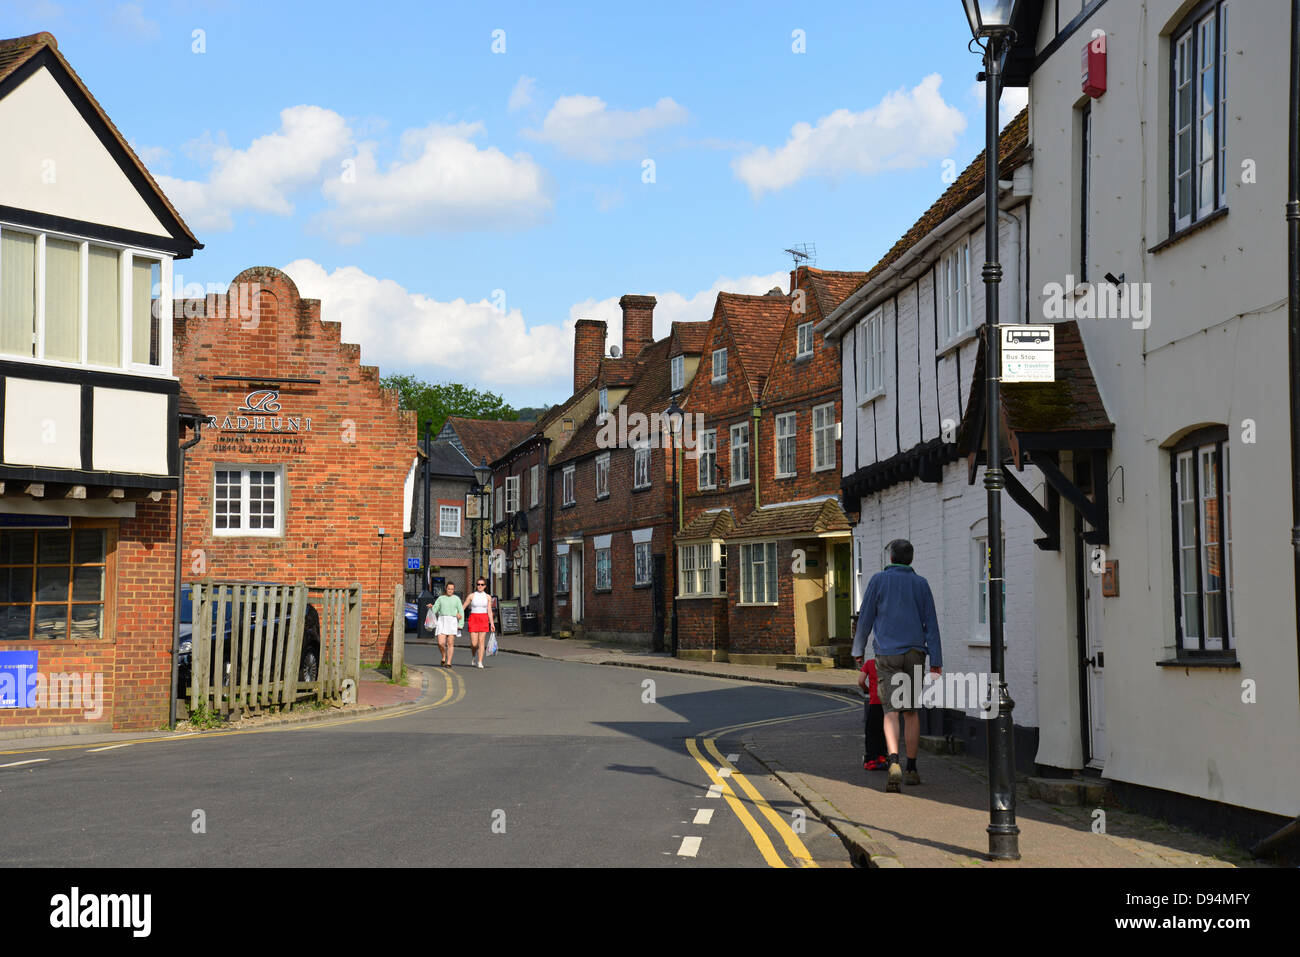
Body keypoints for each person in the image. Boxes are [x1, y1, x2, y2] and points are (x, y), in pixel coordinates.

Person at [852, 538, 942, 793]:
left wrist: (859, 651)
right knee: (911, 712)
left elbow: (866, 617)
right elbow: (931, 625)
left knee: (891, 711)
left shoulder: (878, 581)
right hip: (915, 653)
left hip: (887, 655)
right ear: (910, 559)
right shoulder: (921, 584)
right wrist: (936, 661)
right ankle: (912, 767)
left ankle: (893, 761)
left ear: (891, 558)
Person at [858, 652, 888, 771]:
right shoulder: (889, 665)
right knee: (884, 731)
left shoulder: (870, 663)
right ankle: (882, 757)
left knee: (871, 731)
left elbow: (860, 681)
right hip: (887, 703)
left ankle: (871, 760)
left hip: (875, 702)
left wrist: (868, 690)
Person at [462, 577, 496, 669]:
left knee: (481, 642)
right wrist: (457, 616)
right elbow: (463, 607)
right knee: (474, 644)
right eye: (478, 584)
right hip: (473, 618)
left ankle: (480, 661)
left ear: (485, 586)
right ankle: (473, 655)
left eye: (482, 584)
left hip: (483, 619)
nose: (480, 586)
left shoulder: (488, 597)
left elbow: (489, 611)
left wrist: (492, 623)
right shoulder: (471, 596)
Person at [430, 581, 465, 667]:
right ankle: (444, 656)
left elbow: (461, 612)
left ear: (454, 590)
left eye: (452, 589)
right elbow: (435, 610)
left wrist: (460, 625)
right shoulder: (440, 598)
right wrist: (431, 607)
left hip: (452, 621)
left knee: (450, 643)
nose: (450, 590)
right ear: (446, 589)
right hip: (442, 620)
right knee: (440, 643)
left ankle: (449, 662)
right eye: (449, 589)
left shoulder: (457, 599)